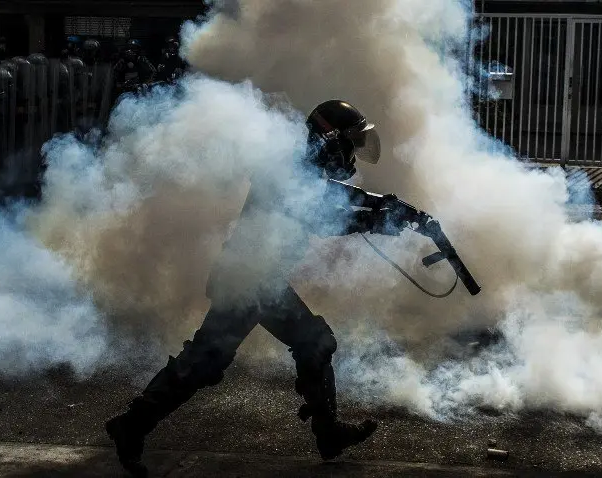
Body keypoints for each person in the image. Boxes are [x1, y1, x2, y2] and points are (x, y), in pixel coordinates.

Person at [105, 100, 401, 477]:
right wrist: (380, 220)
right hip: (248, 282)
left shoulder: (301, 164)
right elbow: (325, 214)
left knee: (310, 343)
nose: (353, 154)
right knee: (208, 361)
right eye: (349, 142)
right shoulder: (291, 168)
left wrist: (385, 207)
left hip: (259, 280)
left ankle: (328, 434)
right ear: (330, 138)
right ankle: (131, 426)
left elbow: (331, 196)